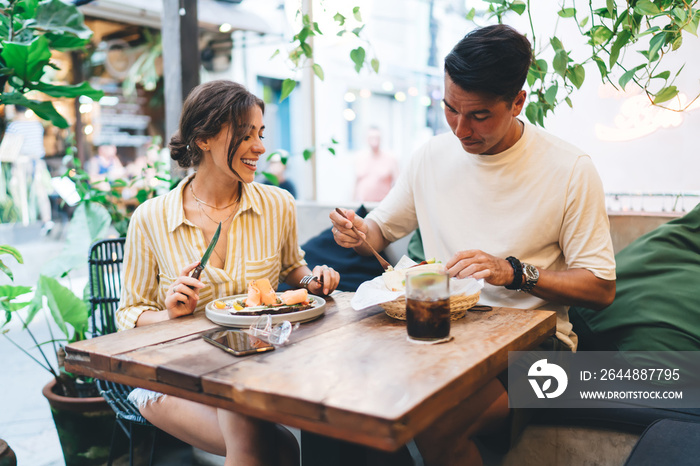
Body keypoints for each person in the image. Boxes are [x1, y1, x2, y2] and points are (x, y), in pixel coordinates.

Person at [330, 24, 616, 465]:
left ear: (518, 102)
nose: (461, 129)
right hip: (440, 332)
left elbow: (600, 288)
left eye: (479, 115)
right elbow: (378, 232)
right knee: (347, 395)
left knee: (440, 421)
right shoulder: (430, 156)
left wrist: (516, 273)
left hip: (541, 351)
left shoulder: (570, 169)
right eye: (450, 109)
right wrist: (355, 231)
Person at [117, 80, 340, 466]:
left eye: (261, 134)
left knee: (280, 445)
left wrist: (311, 281)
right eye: (245, 134)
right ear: (203, 138)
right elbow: (129, 313)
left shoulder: (277, 204)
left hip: (257, 364)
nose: (260, 147)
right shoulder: (151, 217)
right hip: (171, 375)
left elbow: (291, 269)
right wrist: (169, 313)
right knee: (261, 436)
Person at [5, 105, 53, 233]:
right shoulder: (37, 125)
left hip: (21, 164)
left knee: (21, 194)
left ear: (15, 109)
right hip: (38, 163)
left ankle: (26, 224)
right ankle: (46, 220)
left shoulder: (14, 126)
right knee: (41, 193)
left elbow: (9, 148)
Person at [353, 125, 399, 202]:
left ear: (381, 139)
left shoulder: (390, 158)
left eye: (377, 138)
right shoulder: (359, 158)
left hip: (383, 205)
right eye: (371, 137)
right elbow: (355, 184)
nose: (374, 140)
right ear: (366, 139)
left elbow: (398, 185)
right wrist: (352, 204)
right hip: (362, 206)